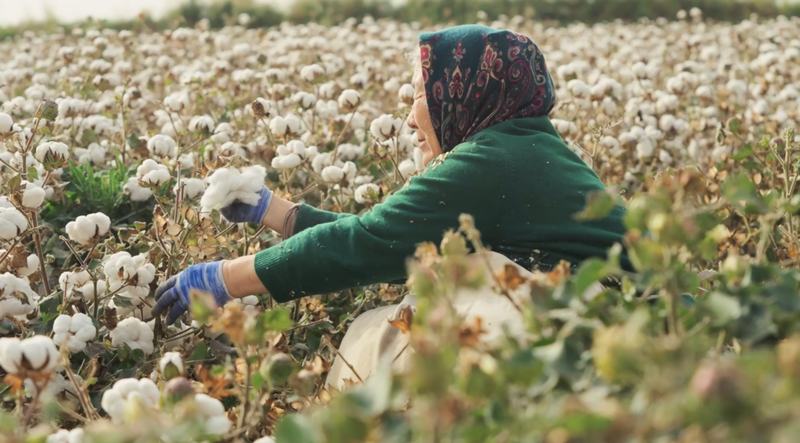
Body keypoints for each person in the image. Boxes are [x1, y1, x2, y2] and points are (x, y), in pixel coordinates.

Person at [152, 25, 630, 339]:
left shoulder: (491, 160)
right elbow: (402, 239)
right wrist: (275, 211)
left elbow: (370, 243)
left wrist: (226, 278)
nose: (407, 120)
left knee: (385, 334)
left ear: (462, 91)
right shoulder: (528, 146)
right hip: (639, 325)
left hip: (610, 332)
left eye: (422, 93)